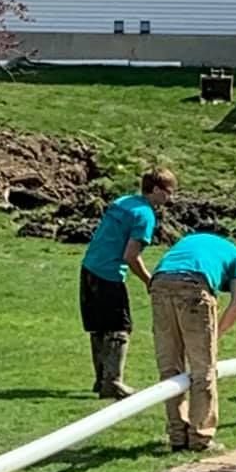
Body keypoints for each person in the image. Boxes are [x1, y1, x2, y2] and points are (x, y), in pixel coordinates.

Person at [150, 232, 236, 453]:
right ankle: (200, 438)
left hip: (160, 281)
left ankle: (177, 436)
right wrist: (216, 335)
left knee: (169, 367)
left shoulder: (190, 244)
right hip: (193, 286)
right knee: (203, 370)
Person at [80, 167, 177, 399]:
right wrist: (149, 280)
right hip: (109, 274)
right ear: (155, 190)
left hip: (89, 267)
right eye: (168, 192)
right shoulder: (144, 215)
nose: (170, 198)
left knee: (99, 326)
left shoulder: (124, 201)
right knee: (119, 328)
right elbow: (131, 256)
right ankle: (113, 382)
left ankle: (101, 379)